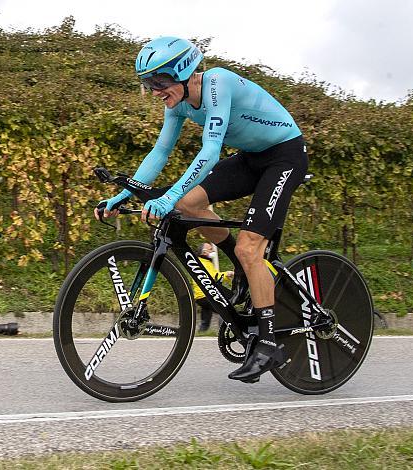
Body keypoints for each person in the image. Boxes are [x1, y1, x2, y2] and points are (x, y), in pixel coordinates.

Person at [95, 37, 308, 382]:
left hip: (285, 156)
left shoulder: (216, 84)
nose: (154, 91)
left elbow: (209, 153)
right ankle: (242, 266)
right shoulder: (177, 103)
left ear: (183, 71)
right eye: (148, 84)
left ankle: (269, 344)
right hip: (251, 159)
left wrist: (165, 197)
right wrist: (122, 196)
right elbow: (160, 153)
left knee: (249, 246)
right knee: (188, 203)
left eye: (159, 82)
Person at [194, 243, 233, 332]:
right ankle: (222, 330)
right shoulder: (204, 263)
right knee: (224, 309)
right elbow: (214, 277)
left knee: (206, 314)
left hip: (200, 296)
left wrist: (226, 276)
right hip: (207, 293)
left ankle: (202, 332)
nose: (213, 251)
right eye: (210, 249)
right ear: (204, 252)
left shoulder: (203, 262)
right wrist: (227, 274)